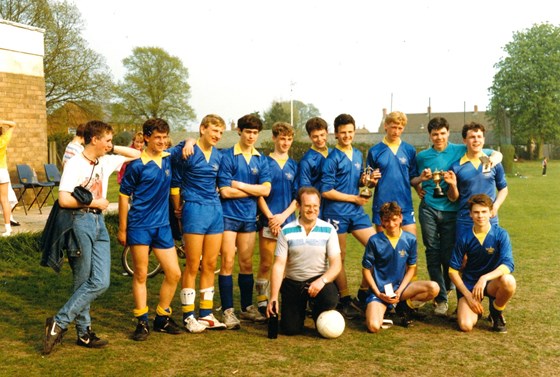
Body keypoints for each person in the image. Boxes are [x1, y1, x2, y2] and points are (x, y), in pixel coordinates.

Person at [43, 120, 142, 355]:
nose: (110, 143)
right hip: (80, 220)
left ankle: (59, 321)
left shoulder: (105, 161)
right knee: (84, 278)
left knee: (98, 280)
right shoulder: (75, 163)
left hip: (98, 224)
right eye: (106, 139)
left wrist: (113, 147)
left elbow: (136, 153)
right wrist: (95, 201)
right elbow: (64, 199)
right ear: (94, 139)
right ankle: (83, 332)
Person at [415, 116, 502, 316]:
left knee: (449, 255)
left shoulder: (460, 149)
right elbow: (414, 178)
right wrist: (419, 184)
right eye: (435, 134)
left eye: (442, 133)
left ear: (449, 133)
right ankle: (441, 299)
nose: (439, 137)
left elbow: (492, 153)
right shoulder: (422, 156)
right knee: (431, 251)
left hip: (452, 210)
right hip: (428, 207)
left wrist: (494, 161)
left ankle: (448, 288)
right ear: (429, 135)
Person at [118, 118, 185, 341]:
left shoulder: (168, 159)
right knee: (140, 274)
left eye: (165, 137)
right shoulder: (136, 165)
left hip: (163, 226)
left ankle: (162, 317)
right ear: (146, 137)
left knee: (174, 273)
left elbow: (187, 143)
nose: (162, 141)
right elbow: (123, 196)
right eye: (157, 137)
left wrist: (192, 140)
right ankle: (142, 322)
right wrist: (122, 228)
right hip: (139, 226)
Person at [170, 114, 227, 333]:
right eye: (214, 131)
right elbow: (168, 154)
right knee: (193, 263)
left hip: (215, 210)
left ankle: (206, 313)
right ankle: (188, 315)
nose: (217, 136)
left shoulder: (219, 156)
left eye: (221, 133)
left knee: (210, 264)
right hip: (194, 208)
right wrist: (187, 140)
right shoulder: (188, 150)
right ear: (202, 129)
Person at [217, 114, 271, 329]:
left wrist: (238, 184)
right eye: (248, 131)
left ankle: (247, 307)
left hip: (249, 218)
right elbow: (225, 192)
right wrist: (252, 190)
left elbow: (266, 190)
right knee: (228, 262)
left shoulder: (261, 159)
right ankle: (228, 311)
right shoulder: (228, 156)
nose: (251, 136)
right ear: (239, 131)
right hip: (229, 216)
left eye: (255, 132)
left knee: (247, 264)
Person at [266, 187, 341, 335]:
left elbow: (336, 265)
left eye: (315, 206)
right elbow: (279, 265)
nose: (311, 210)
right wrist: (273, 298)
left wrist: (322, 281)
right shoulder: (286, 231)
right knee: (290, 329)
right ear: (299, 206)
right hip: (294, 282)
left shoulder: (329, 229)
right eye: (307, 206)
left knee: (330, 299)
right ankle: (298, 311)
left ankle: (315, 310)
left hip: (318, 281)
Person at [321, 113, 375, 319]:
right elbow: (326, 191)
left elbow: (359, 182)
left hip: (356, 211)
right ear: (336, 134)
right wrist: (354, 198)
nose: (347, 136)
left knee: (378, 246)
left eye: (350, 132)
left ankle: (363, 291)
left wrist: (366, 180)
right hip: (336, 213)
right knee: (339, 257)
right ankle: (344, 299)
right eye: (343, 132)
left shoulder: (358, 154)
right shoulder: (332, 159)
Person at [362, 201, 439, 333]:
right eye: (386, 220)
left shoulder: (410, 239)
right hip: (380, 291)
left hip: (401, 289)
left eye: (394, 219)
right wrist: (378, 293)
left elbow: (411, 268)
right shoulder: (374, 240)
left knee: (433, 288)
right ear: (381, 221)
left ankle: (403, 306)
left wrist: (399, 291)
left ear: (401, 218)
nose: (391, 224)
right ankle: (383, 307)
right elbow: (366, 270)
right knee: (373, 326)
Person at [448, 194, 516, 333]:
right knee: (465, 326)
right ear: (470, 214)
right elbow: (452, 271)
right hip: (470, 286)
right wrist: (468, 296)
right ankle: (475, 310)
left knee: (509, 281)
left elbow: (508, 264)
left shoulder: (501, 234)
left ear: (491, 213)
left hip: (491, 283)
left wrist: (484, 278)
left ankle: (496, 312)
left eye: (484, 211)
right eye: (476, 212)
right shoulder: (464, 237)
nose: (480, 216)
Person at [256, 122, 298, 315]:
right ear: (274, 138)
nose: (285, 143)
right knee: (266, 263)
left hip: (288, 222)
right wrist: (272, 218)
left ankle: (287, 301)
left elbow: (298, 198)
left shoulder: (294, 165)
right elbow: (259, 195)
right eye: (282, 138)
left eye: (289, 139)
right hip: (268, 220)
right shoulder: (264, 162)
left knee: (288, 266)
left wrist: (282, 217)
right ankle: (262, 302)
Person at [446, 122, 508, 236]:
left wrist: (496, 206)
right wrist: (453, 185)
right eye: (472, 137)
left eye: (479, 136)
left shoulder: (493, 162)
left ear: (483, 139)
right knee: (465, 254)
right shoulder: (456, 166)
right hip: (465, 221)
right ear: (465, 140)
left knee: (490, 252)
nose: (476, 140)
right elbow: (452, 198)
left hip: (489, 219)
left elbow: (503, 189)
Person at [366, 111, 422, 235]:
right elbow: (369, 183)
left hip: (405, 205)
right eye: (393, 127)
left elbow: (412, 178)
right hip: (382, 205)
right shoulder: (374, 151)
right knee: (384, 250)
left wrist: (421, 179)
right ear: (386, 126)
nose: (396, 131)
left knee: (410, 247)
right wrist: (371, 181)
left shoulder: (409, 150)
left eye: (400, 128)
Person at [297, 117, 331, 191]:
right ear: (310, 137)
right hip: (319, 201)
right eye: (315, 136)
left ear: (327, 132)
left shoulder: (334, 153)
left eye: (322, 135)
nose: (319, 139)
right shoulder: (306, 161)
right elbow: (305, 188)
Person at [0, 119, 16, 236]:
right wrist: (2, 121)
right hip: (2, 172)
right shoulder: (3, 140)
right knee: (4, 200)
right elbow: (13, 125)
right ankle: (8, 228)